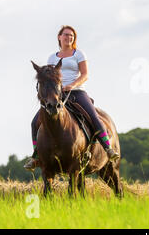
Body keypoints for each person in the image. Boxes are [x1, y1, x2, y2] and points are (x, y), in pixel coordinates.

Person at [24, 25, 119, 170]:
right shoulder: (52, 57)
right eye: (66, 35)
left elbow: (85, 75)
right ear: (59, 37)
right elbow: (50, 76)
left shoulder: (79, 54)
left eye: (72, 36)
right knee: (34, 122)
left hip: (77, 92)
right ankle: (36, 156)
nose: (69, 37)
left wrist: (72, 85)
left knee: (93, 117)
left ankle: (108, 148)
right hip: (57, 94)